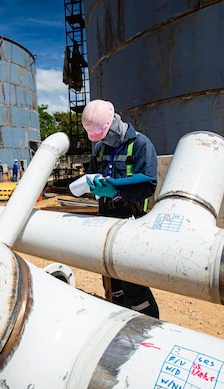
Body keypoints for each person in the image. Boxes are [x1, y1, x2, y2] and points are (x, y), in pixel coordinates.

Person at [82, 99, 160, 319]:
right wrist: (93, 187)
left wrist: (116, 191)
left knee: (133, 284)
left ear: (114, 121)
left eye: (105, 134)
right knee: (112, 282)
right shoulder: (99, 148)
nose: (103, 140)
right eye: (98, 137)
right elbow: (94, 174)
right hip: (106, 224)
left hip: (132, 224)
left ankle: (151, 328)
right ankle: (121, 323)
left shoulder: (141, 145)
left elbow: (148, 185)